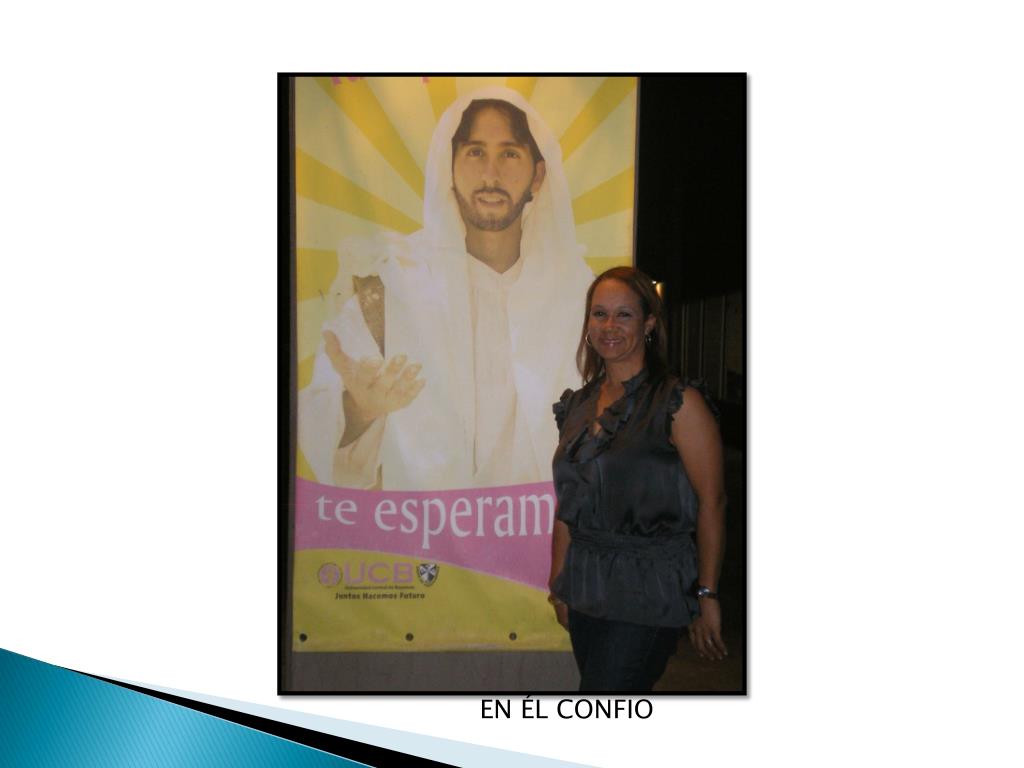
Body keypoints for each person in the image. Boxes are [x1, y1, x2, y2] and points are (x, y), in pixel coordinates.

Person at [298, 86, 594, 490]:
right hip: (428, 525)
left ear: (538, 175)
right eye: (475, 152)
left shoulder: (579, 295)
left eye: (509, 153)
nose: (491, 175)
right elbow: (319, 415)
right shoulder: (389, 286)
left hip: (540, 526)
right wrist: (358, 409)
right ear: (448, 167)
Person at [547, 266, 728, 692]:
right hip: (585, 583)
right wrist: (559, 584)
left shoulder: (678, 402)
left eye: (624, 314)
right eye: (599, 314)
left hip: (648, 588)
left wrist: (707, 594)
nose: (609, 326)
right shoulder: (578, 404)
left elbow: (713, 502)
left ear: (648, 323)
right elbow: (569, 503)